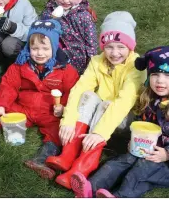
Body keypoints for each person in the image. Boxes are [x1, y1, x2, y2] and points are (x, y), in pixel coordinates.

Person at [0, 19, 79, 180]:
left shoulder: (65, 69)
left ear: (54, 47)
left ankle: (42, 160)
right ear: (28, 48)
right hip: (24, 106)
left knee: (57, 131)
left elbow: (73, 92)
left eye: (45, 48)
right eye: (35, 48)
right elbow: (8, 85)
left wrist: (63, 108)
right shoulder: (21, 64)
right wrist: (2, 105)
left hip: (50, 112)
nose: (39, 53)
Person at [70, 46, 169, 198]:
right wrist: (135, 140)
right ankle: (89, 188)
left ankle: (119, 196)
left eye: (168, 75)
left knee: (142, 170)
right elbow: (142, 122)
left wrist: (168, 154)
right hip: (148, 148)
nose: (160, 81)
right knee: (120, 161)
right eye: (155, 74)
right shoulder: (151, 98)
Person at [45, 11, 146, 189]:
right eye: (109, 47)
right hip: (100, 112)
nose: (114, 53)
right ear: (102, 46)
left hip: (124, 118)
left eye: (121, 47)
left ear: (131, 46)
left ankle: (83, 165)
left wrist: (99, 133)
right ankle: (68, 153)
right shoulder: (98, 60)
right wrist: (68, 120)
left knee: (107, 104)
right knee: (88, 96)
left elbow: (124, 102)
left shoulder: (137, 65)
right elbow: (80, 88)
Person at [39, 0, 97, 75]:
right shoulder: (48, 11)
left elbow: (91, 41)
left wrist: (91, 61)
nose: (66, 0)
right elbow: (40, 32)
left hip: (78, 60)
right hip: (54, 56)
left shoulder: (84, 16)